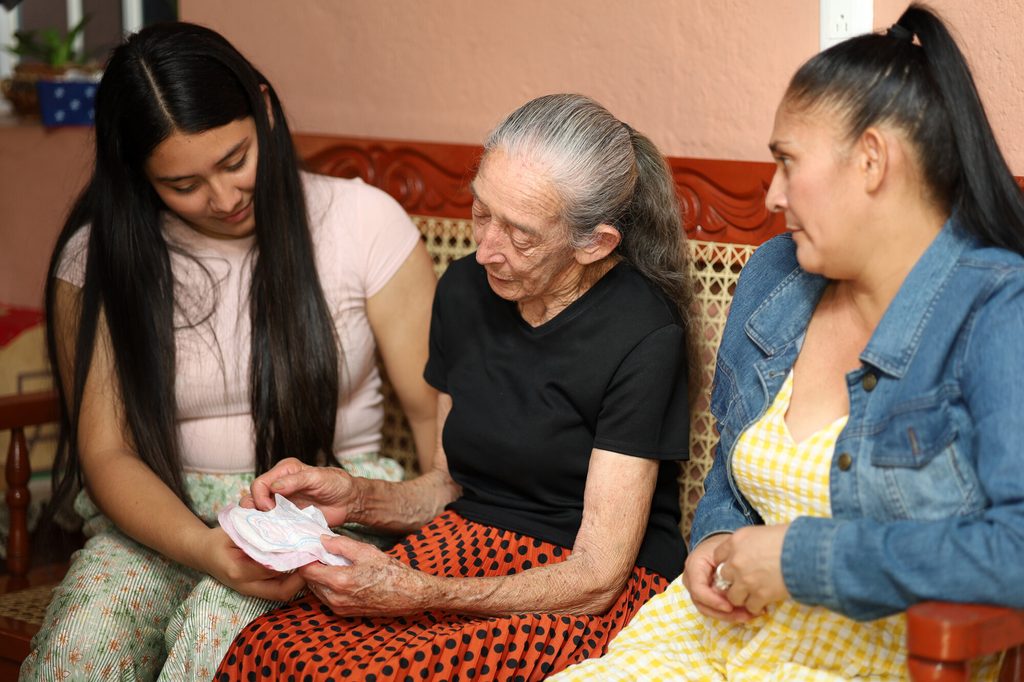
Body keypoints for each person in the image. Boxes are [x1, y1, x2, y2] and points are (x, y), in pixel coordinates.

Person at [552, 5, 1024, 681]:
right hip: (715, 637)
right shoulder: (777, 275)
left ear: (871, 160)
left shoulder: (998, 308)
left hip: (878, 656)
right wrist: (715, 542)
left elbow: (1015, 548)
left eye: (786, 162)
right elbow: (732, 475)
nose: (772, 194)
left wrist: (799, 561)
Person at [214, 93, 695, 681]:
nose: (486, 249)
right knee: (271, 648)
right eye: (481, 212)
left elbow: (597, 576)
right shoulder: (467, 290)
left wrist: (420, 591)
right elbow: (449, 483)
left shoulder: (642, 333)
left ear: (593, 243)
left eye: (520, 236)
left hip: (572, 582)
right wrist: (354, 497)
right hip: (464, 545)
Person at [20, 22, 439, 682]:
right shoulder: (100, 256)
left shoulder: (363, 222)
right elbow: (108, 453)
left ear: (265, 111)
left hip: (327, 512)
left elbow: (438, 418)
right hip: (163, 515)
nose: (222, 199)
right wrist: (204, 547)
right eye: (183, 185)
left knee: (224, 627)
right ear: (138, 175)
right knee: (84, 638)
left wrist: (430, 536)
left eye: (235, 159)